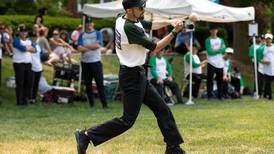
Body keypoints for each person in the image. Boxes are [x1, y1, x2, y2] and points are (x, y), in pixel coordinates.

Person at [74, 0, 185, 154]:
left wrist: (170, 21)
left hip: (137, 74)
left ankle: (173, 147)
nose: (143, 9)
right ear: (130, 9)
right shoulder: (130, 28)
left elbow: (149, 24)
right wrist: (174, 32)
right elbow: (155, 47)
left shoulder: (122, 17)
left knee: (162, 109)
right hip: (132, 77)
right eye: (140, 7)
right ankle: (86, 136)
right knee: (127, 121)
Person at [77, 16, 108, 108]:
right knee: (88, 84)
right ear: (85, 24)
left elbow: (97, 45)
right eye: (87, 23)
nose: (89, 25)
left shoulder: (98, 33)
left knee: (99, 83)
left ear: (93, 24)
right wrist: (91, 46)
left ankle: (104, 104)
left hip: (95, 62)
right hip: (85, 62)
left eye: (90, 23)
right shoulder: (82, 35)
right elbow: (79, 48)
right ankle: (91, 104)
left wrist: (85, 47)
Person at [13, 24, 36, 105]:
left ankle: (26, 99)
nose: (24, 33)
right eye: (22, 31)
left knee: (28, 82)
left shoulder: (29, 40)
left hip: (28, 63)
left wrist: (28, 48)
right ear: (19, 32)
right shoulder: (16, 39)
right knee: (20, 82)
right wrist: (28, 48)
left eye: (25, 31)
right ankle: (19, 101)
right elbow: (21, 48)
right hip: (19, 63)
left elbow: (34, 50)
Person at [205, 25, 226, 100]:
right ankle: (209, 96)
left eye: (215, 30)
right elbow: (210, 52)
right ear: (210, 31)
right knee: (210, 80)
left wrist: (216, 50)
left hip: (220, 63)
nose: (214, 31)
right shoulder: (208, 40)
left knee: (220, 80)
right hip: (211, 62)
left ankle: (220, 96)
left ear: (217, 31)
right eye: (212, 30)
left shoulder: (221, 40)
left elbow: (224, 49)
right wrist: (219, 50)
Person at [260, 33, 274, 100]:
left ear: (272, 39)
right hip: (266, 69)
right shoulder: (262, 48)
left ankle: (266, 95)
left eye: (269, 39)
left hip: (273, 68)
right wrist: (263, 62)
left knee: (269, 83)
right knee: (268, 83)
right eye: (267, 39)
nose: (268, 40)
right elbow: (259, 58)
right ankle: (270, 97)